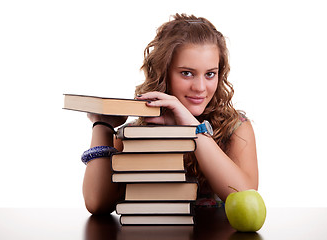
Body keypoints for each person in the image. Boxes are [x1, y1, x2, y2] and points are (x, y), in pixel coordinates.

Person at [82, 13, 258, 214]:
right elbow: (97, 204)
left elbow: (246, 196)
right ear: (164, 73)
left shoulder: (235, 128)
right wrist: (101, 126)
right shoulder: (135, 133)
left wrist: (192, 128)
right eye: (187, 73)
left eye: (210, 74)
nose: (200, 87)